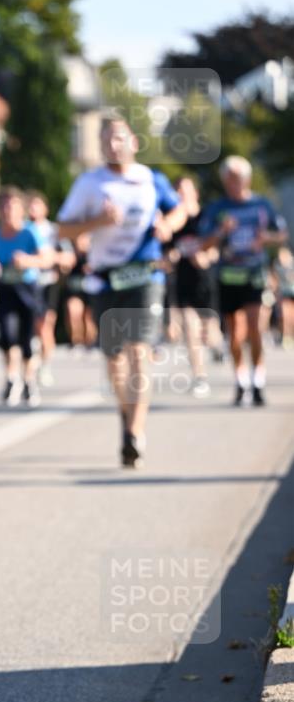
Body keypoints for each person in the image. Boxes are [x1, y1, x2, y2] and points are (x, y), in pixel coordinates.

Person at [57, 117, 186, 467]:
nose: (111, 146)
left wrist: (166, 226)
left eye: (117, 138)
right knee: (114, 358)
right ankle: (126, 416)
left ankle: (135, 432)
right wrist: (97, 223)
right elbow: (63, 229)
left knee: (139, 352)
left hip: (145, 275)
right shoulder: (89, 183)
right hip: (105, 279)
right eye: (105, 141)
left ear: (134, 141)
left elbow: (179, 212)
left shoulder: (151, 180)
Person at [199, 155, 288, 406]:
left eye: (237, 179)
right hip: (227, 275)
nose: (233, 184)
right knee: (235, 334)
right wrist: (221, 232)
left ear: (246, 179)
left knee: (254, 327)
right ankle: (241, 381)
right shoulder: (217, 208)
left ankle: (258, 381)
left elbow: (281, 234)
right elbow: (203, 243)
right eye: (229, 179)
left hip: (253, 272)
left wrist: (265, 238)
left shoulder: (262, 205)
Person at [0, 187, 54, 407]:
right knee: (7, 336)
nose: (8, 210)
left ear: (21, 209)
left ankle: (28, 380)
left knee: (27, 339)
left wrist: (28, 261)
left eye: (13, 205)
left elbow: (47, 259)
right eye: (4, 205)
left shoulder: (30, 232)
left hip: (28, 288)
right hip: (5, 288)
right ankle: (11, 378)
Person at [165, 177, 222, 398]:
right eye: (177, 192)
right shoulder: (174, 222)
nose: (181, 195)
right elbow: (167, 251)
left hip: (206, 281)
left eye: (185, 191)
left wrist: (208, 256)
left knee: (210, 335)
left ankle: (218, 347)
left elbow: (217, 245)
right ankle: (200, 377)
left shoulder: (205, 217)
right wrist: (171, 256)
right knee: (190, 329)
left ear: (195, 193)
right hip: (183, 281)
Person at [26, 191, 61, 386]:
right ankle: (35, 361)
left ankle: (45, 365)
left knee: (46, 326)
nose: (33, 209)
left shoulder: (53, 230)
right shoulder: (23, 229)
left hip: (48, 283)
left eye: (36, 205)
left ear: (45, 209)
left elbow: (67, 256)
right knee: (35, 327)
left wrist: (48, 259)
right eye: (30, 205)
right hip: (29, 283)